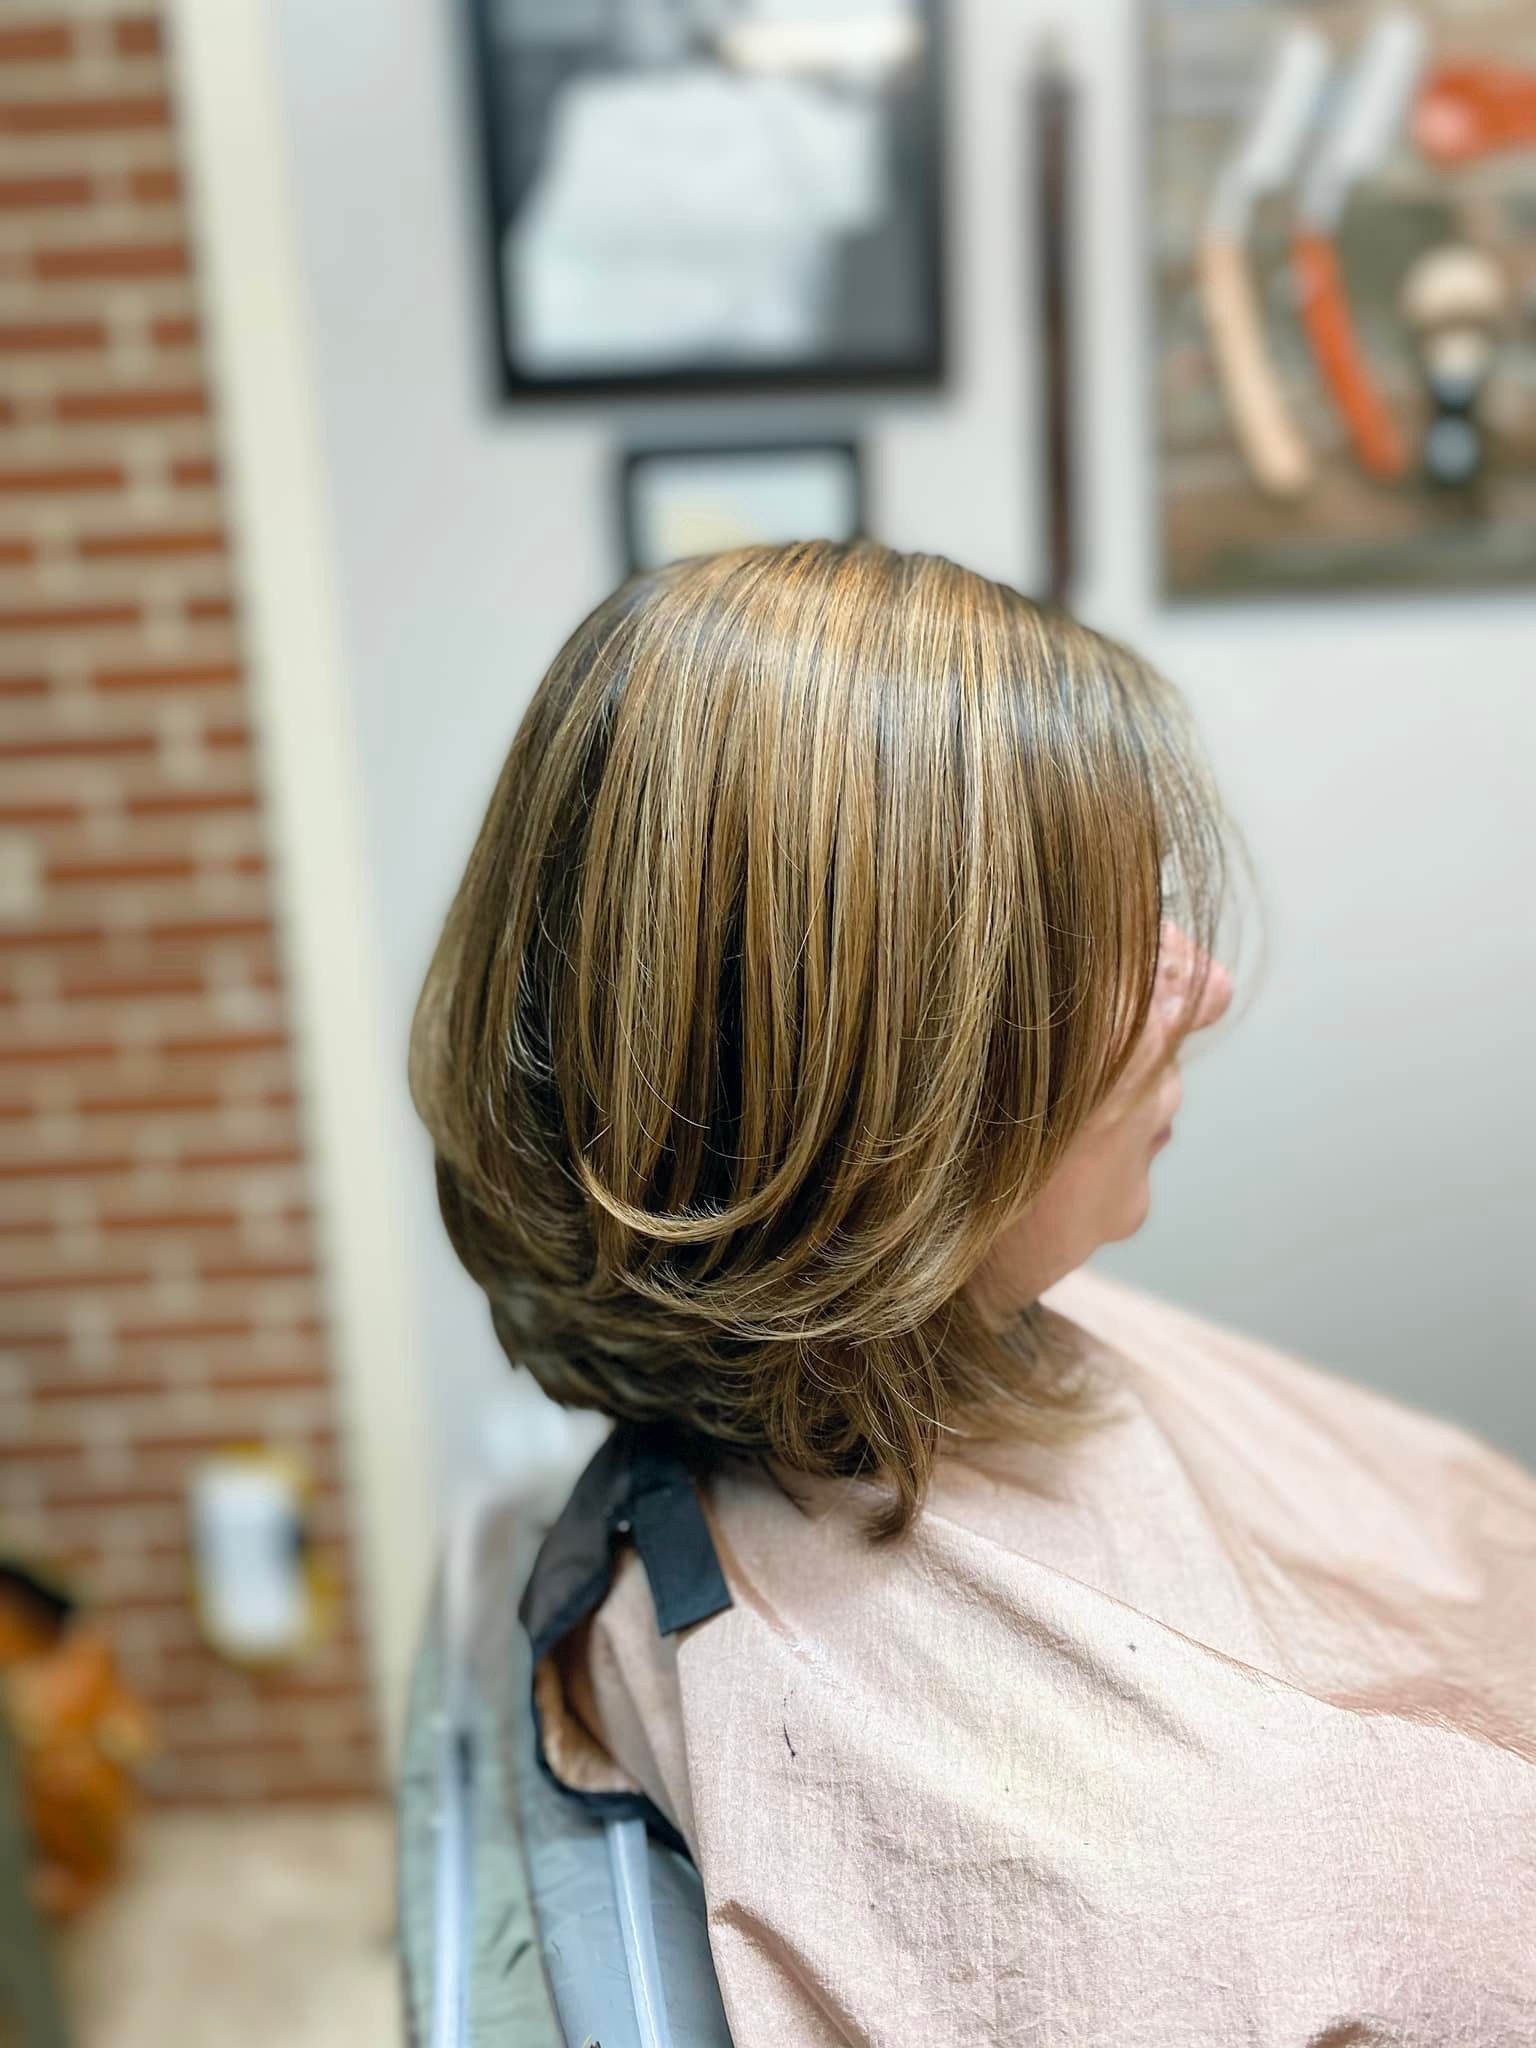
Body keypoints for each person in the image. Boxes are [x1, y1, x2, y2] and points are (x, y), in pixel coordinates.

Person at [410, 540, 1536, 2045]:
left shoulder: (987, 1334)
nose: (1204, 988)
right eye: (1115, 937)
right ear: (877, 1082)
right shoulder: (1150, 1865)